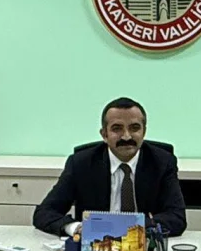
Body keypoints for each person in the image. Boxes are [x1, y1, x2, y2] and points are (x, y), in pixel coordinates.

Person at [32, 97, 188, 237]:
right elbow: (45, 212)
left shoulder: (162, 162)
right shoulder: (81, 163)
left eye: (134, 128)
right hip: (95, 247)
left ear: (144, 132)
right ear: (104, 134)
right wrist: (75, 228)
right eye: (117, 129)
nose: (126, 136)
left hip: (144, 248)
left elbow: (176, 218)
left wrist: (127, 228)